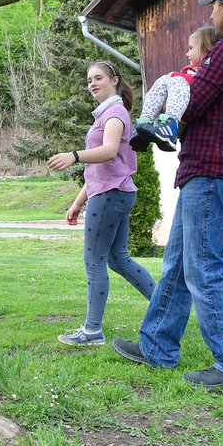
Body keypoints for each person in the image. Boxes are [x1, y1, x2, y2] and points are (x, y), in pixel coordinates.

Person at [112, 0, 223, 390]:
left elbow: (193, 103)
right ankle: (157, 348)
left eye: (214, 5)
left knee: (204, 270)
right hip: (210, 172)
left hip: (216, 173)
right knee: (179, 266)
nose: (211, 13)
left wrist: (165, 111)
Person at [47, 60, 156, 347]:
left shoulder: (115, 113)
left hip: (110, 195)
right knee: (118, 258)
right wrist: (77, 203)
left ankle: (92, 331)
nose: (92, 84)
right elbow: (101, 171)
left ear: (114, 80)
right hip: (112, 192)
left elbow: (107, 152)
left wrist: (74, 154)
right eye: (89, 80)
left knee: (94, 261)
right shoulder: (106, 113)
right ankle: (167, 309)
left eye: (98, 78)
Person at [129, 25, 218, 152]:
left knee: (175, 79)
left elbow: (198, 84)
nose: (187, 54)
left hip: (189, 121)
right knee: (163, 80)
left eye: (191, 48)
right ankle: (145, 122)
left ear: (205, 49)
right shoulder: (190, 71)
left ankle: (170, 125)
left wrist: (175, 76)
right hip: (185, 118)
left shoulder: (209, 70)